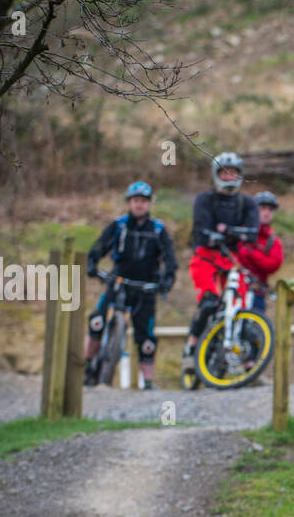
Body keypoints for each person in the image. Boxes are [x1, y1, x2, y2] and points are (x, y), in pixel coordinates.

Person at [85, 181, 176, 390]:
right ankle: (88, 366)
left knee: (147, 339)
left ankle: (149, 382)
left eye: (143, 201)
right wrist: (92, 264)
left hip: (146, 289)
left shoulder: (158, 229)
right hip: (118, 283)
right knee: (96, 322)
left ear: (149, 204)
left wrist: (167, 280)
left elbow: (170, 259)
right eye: (136, 201)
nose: (139, 205)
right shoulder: (119, 225)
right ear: (129, 202)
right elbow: (99, 246)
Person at [183, 151, 259, 375]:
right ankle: (191, 348)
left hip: (233, 261)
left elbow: (252, 234)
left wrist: (227, 231)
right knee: (209, 303)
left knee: (242, 308)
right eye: (224, 173)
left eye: (233, 172)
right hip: (206, 258)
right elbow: (202, 231)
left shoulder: (247, 203)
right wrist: (234, 233)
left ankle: (249, 366)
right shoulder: (204, 200)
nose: (229, 176)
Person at [240, 190, 284, 312]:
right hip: (236, 289)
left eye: (270, 209)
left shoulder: (273, 241)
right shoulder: (241, 231)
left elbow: (273, 264)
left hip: (257, 291)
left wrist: (251, 253)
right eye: (262, 208)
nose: (266, 213)